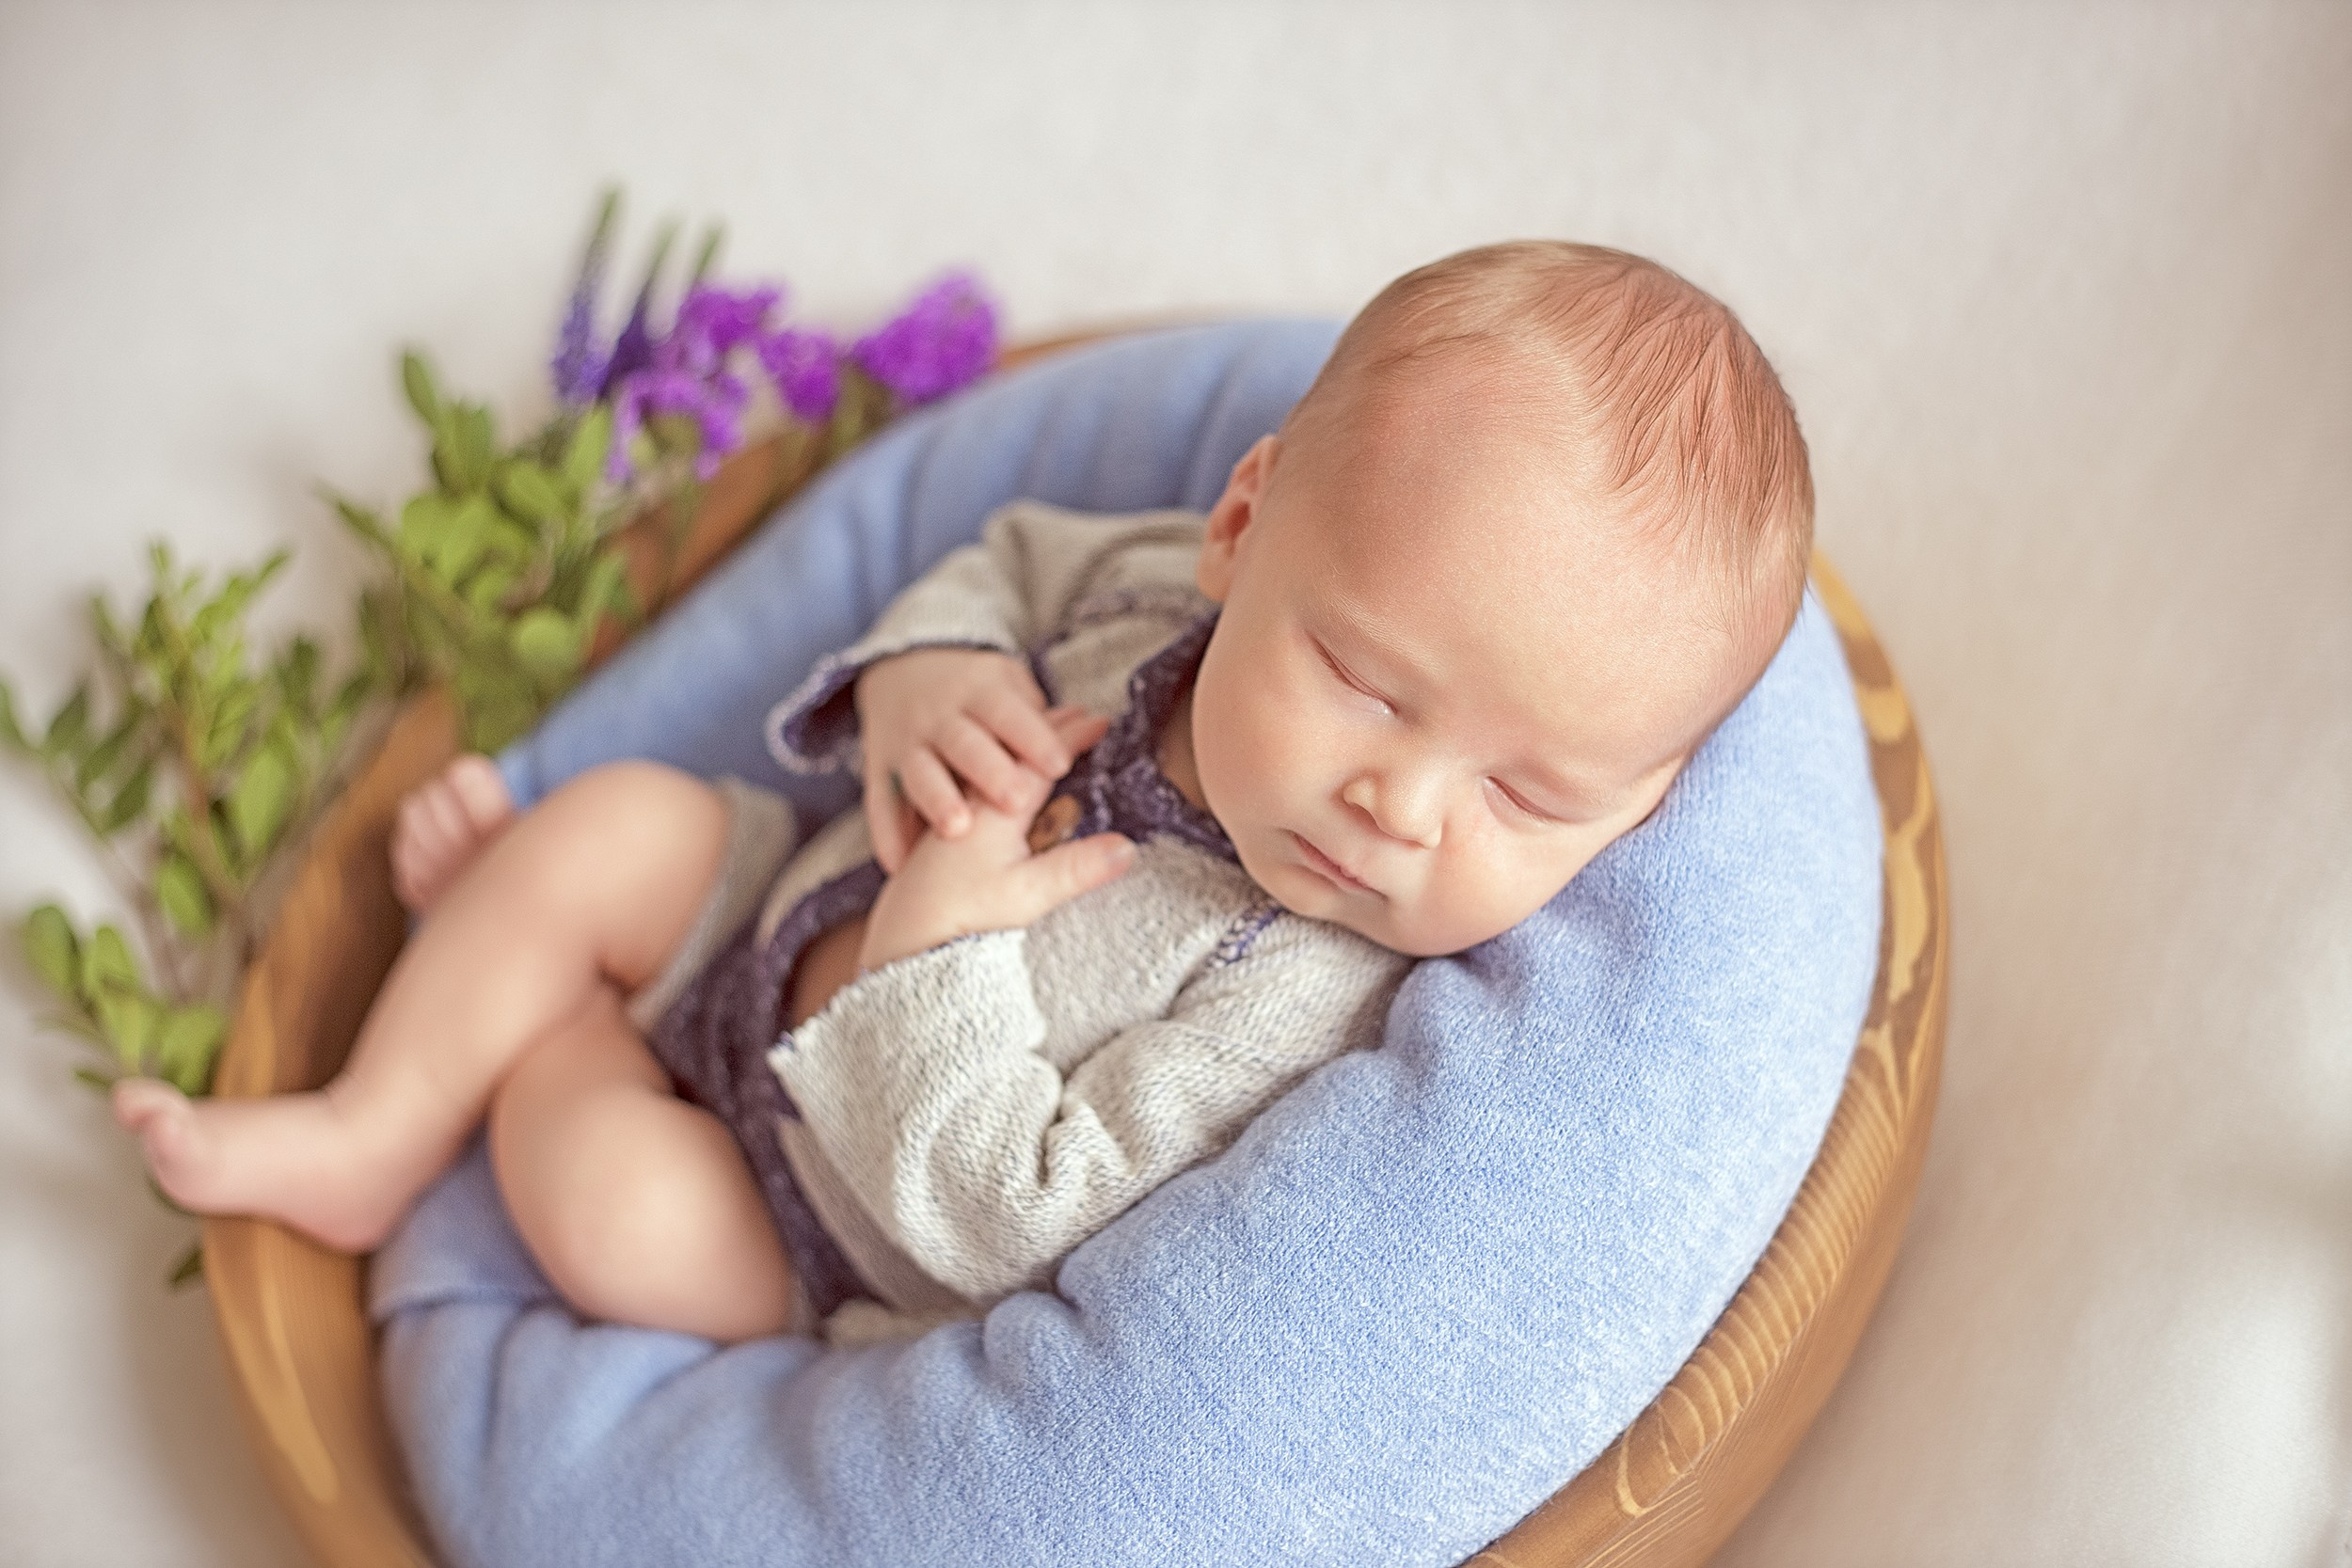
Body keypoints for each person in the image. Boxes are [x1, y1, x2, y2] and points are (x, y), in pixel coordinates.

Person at [115, 242, 1815, 1344]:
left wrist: (931, 962)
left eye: (1528, 795)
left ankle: (538, 1016)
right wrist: (922, 679)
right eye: (1369, 684)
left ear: (1636, 816)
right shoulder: (1164, 586)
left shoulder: (1292, 993)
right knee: (618, 818)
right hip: (770, 892)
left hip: (816, 1212)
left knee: (614, 1211)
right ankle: (366, 1128)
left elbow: (1026, 1220)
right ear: (1243, 528)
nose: (1403, 807)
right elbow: (997, 567)